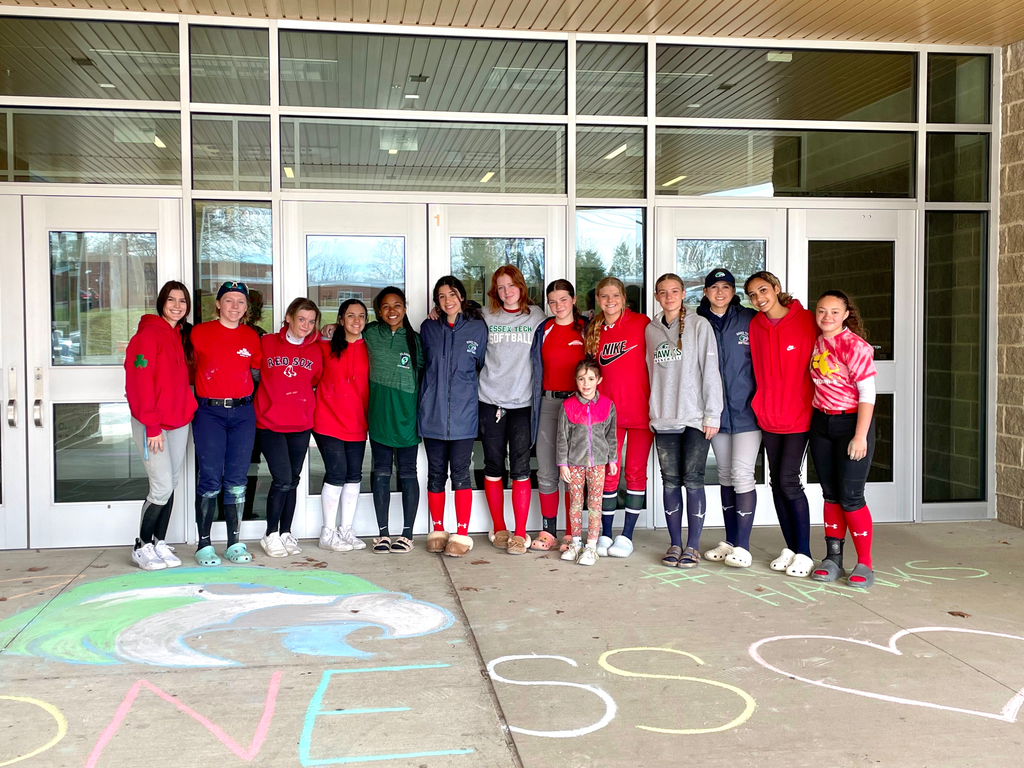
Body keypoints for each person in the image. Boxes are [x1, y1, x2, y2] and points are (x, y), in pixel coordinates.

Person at [647, 273, 723, 568]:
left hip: (694, 417)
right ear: (656, 296)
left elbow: (711, 370)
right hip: (664, 417)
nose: (669, 296)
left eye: (674, 291)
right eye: (663, 292)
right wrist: (653, 410)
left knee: (693, 480)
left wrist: (712, 413)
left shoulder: (699, 325)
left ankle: (692, 546)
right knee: (669, 482)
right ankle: (675, 543)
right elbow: (650, 373)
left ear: (683, 294)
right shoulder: (651, 330)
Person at [745, 270, 818, 578]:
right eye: (752, 295)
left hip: (799, 416)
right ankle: (791, 548)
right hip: (769, 416)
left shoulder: (807, 320)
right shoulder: (755, 325)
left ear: (776, 288)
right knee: (777, 482)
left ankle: (806, 552)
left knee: (789, 480)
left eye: (763, 290)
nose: (759, 298)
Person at [124, 281, 198, 570]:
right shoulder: (147, 337)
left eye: (182, 301)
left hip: (178, 420)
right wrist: (152, 426)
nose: (177, 306)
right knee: (161, 487)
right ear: (161, 302)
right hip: (152, 424)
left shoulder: (177, 334)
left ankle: (159, 543)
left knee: (172, 484)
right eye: (171, 300)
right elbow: (139, 385)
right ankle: (141, 545)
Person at [190, 281, 263, 566]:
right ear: (218, 304)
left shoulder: (251, 336)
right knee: (209, 479)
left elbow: (255, 372)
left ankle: (234, 542)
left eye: (240, 302)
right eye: (229, 301)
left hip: (243, 413)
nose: (235, 307)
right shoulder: (199, 333)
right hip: (210, 413)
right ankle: (204, 544)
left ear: (247, 308)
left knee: (236, 480)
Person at [808, 291, 878, 588]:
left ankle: (865, 563)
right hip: (821, 422)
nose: (827, 317)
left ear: (846, 313)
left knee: (851, 497)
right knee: (831, 494)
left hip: (851, 422)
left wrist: (860, 435)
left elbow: (868, 394)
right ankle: (833, 558)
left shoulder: (855, 346)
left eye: (834, 312)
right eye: (822, 311)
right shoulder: (819, 341)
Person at [478, 265, 546, 555]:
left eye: (511, 286)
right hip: (490, 399)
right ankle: (499, 527)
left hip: (522, 403)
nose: (507, 292)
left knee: (520, 467)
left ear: (521, 287)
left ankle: (520, 532)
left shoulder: (537, 316)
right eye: (501, 287)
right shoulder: (484, 315)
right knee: (493, 465)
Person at [419, 276, 488, 558]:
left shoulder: (477, 328)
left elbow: (481, 366)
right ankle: (437, 530)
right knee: (436, 475)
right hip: (433, 415)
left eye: (452, 295)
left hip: (464, 415)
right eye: (441, 296)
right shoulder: (428, 328)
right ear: (436, 302)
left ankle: (461, 532)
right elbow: (424, 364)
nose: (447, 301)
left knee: (461, 475)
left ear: (461, 297)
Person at [584, 276, 652, 558]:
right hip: (606, 417)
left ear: (624, 298)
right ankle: (606, 534)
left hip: (640, 412)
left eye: (615, 296)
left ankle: (627, 536)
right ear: (597, 300)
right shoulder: (594, 328)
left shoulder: (643, 324)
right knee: (607, 477)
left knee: (635, 474)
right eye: (604, 297)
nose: (610, 301)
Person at [697, 268, 761, 568]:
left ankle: (744, 547)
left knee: (742, 475)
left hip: (747, 412)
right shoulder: (696, 322)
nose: (720, 292)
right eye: (714, 287)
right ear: (706, 292)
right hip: (715, 416)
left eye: (726, 287)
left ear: (733, 292)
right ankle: (731, 541)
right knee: (724, 476)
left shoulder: (750, 320)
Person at [255, 298, 324, 557]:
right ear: (288, 318)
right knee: (282, 479)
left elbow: (314, 379)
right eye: (301, 319)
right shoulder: (267, 343)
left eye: (311, 320)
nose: (305, 325)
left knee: (292, 481)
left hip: (301, 424)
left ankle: (285, 532)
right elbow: (254, 373)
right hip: (270, 423)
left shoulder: (316, 351)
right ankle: (270, 533)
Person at [366, 287, 424, 554]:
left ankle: (407, 534)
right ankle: (382, 534)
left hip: (407, 416)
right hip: (379, 415)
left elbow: (425, 377)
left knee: (408, 472)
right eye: (386, 306)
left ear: (405, 308)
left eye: (397, 305)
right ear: (379, 310)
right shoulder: (370, 334)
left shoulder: (415, 340)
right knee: (381, 472)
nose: (392, 311)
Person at [533, 279, 587, 551]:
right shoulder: (544, 328)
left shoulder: (587, 329)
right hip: (548, 404)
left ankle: (572, 532)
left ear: (574, 300)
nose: (558, 306)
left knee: (574, 472)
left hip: (577, 406)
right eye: (553, 301)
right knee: (546, 469)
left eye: (563, 299)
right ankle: (548, 530)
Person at [315, 298, 370, 553]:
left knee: (354, 476)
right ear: (340, 320)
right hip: (327, 420)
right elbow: (302, 342)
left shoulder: (370, 347)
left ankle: (346, 529)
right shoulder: (324, 346)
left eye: (361, 316)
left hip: (358, 420)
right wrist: (323, 329)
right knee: (336, 474)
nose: (356, 321)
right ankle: (327, 533)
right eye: (350, 316)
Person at [556, 359, 618, 566]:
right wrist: (562, 463)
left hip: (598, 464)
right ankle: (575, 543)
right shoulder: (568, 406)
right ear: (575, 381)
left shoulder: (608, 405)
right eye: (581, 379)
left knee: (594, 503)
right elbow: (562, 437)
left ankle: (590, 546)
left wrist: (612, 459)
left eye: (591, 379)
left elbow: (611, 436)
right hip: (574, 463)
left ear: (599, 380)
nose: (586, 384)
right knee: (575, 504)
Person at [218, 289, 267, 524]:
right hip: (226, 410)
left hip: (249, 410)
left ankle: (238, 515)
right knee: (238, 466)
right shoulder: (211, 333)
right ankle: (234, 516)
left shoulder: (256, 337)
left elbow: (260, 373)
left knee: (243, 465)